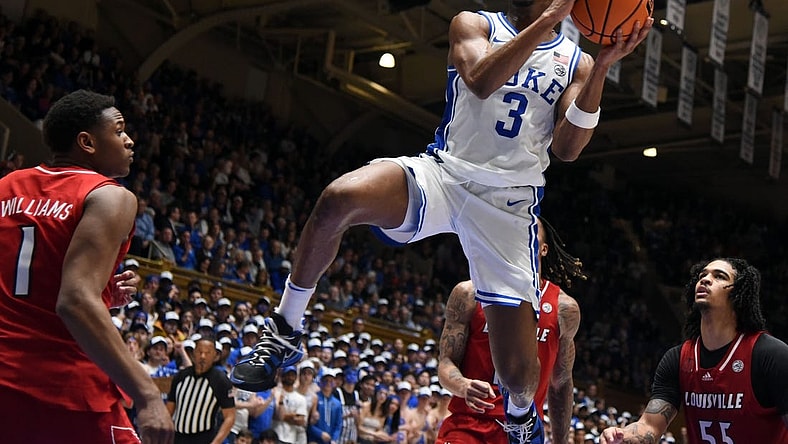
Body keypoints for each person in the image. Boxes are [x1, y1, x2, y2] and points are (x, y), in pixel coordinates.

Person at [231, 2, 650, 441]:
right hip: (446, 173)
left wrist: (601, 67)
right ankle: (284, 329)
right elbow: (483, 81)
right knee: (340, 197)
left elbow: (567, 149)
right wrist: (546, 23)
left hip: (508, 204)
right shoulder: (473, 23)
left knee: (518, 375)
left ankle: (523, 416)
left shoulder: (576, 61)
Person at [0, 89, 174, 444]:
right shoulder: (109, 196)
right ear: (87, 142)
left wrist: (104, 294)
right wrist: (148, 395)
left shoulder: (6, 186)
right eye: (119, 131)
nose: (129, 141)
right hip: (62, 389)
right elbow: (75, 300)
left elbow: (28, 280)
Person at [601, 258, 788, 444]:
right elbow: (650, 426)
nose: (705, 279)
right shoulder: (678, 359)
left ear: (739, 293)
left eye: (720, 276)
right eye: (702, 275)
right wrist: (622, 436)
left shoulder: (770, 355)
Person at [435, 217, 582, 444]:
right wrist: (462, 385)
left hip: (521, 434)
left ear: (543, 249)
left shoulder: (564, 309)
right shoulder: (468, 293)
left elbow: (561, 383)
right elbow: (446, 362)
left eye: (530, 234)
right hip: (467, 425)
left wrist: (560, 442)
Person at [167, 338, 236, 444]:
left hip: (204, 438)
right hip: (177, 437)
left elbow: (230, 417)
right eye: (199, 352)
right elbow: (169, 410)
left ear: (215, 356)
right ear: (193, 354)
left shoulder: (221, 381)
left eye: (207, 353)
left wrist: (216, 442)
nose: (202, 356)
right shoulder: (181, 376)